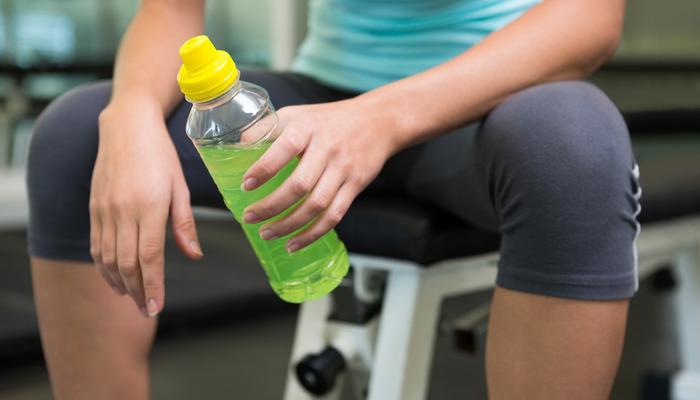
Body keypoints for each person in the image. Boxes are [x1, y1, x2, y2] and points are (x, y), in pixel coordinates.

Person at [27, 0, 639, 399]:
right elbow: (171, 9)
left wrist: (379, 118)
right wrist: (130, 115)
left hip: (490, 101)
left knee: (572, 147)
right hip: (323, 94)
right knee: (78, 136)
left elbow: (589, 19)